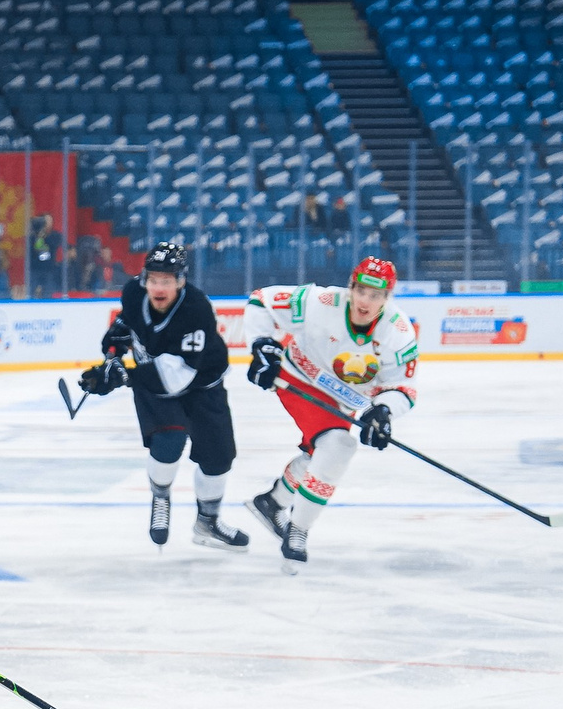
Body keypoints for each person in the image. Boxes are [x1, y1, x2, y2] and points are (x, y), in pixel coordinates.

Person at [241, 256, 422, 567]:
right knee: (338, 446)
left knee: (322, 454)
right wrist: (262, 346)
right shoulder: (320, 301)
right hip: (299, 378)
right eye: (361, 291)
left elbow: (404, 387)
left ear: (387, 297)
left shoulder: (398, 331)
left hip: (345, 400)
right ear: (350, 287)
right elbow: (262, 300)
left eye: (375, 295)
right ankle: (299, 529)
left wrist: (383, 411)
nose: (365, 301)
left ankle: (272, 503)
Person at [76, 238, 247, 552]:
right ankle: (161, 497)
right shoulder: (133, 292)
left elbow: (177, 377)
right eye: (153, 280)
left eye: (166, 281)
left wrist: (123, 376)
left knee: (219, 458)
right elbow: (127, 323)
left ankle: (208, 522)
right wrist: (114, 350)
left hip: (201, 383)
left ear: (180, 282)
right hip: (153, 382)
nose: (158, 287)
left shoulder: (197, 309)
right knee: (169, 440)